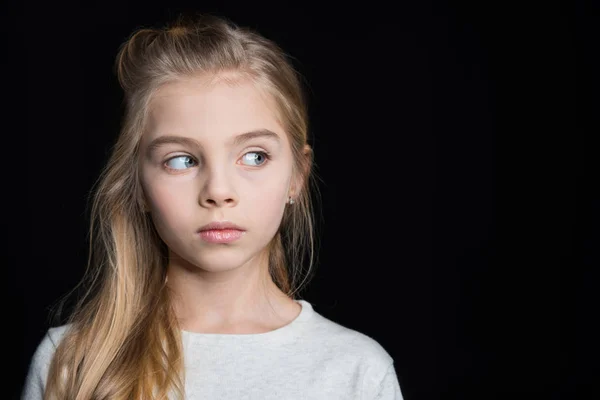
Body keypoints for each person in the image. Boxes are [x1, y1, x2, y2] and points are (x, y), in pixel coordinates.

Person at [22, 13, 404, 400]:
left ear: (297, 176)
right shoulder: (73, 362)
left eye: (254, 156)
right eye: (182, 160)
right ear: (137, 184)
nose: (218, 192)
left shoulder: (356, 370)